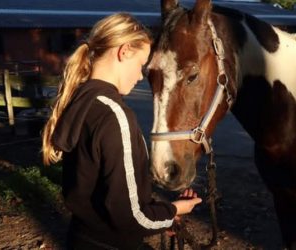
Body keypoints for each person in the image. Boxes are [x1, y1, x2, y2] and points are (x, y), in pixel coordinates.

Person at [42, 13, 202, 250]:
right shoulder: (114, 116)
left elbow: (110, 191)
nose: (140, 77)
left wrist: (160, 218)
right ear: (124, 51)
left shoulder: (81, 99)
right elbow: (130, 217)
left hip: (82, 238)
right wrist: (175, 209)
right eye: (140, 65)